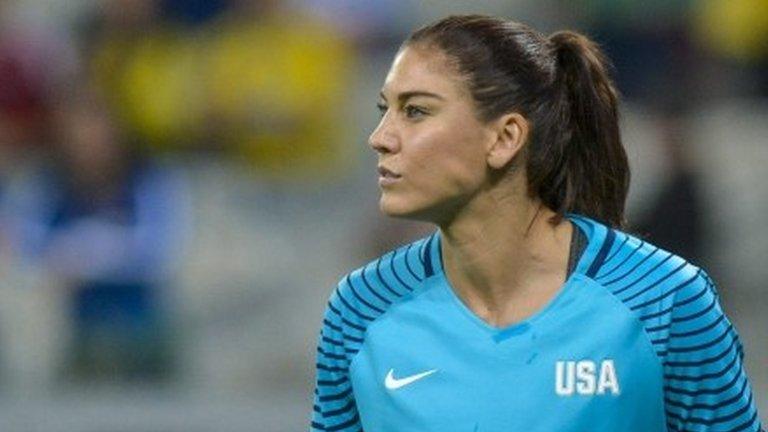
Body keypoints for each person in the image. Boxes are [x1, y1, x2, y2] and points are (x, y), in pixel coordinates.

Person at [310, 15, 764, 432]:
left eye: (415, 111)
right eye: (384, 109)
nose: (380, 138)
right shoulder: (360, 308)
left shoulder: (664, 301)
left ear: (505, 138)